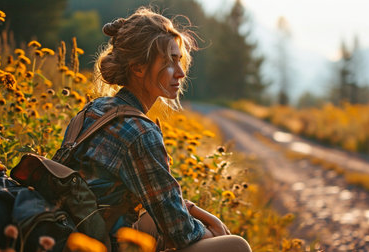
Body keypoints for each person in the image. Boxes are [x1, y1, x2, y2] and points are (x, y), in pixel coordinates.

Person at [54, 6, 252, 252]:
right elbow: (181, 233)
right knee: (236, 246)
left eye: (179, 60)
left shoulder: (93, 110)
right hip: (105, 244)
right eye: (169, 62)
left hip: (72, 233)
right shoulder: (140, 132)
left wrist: (194, 211)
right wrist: (211, 227)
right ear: (138, 67)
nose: (180, 73)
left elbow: (160, 204)